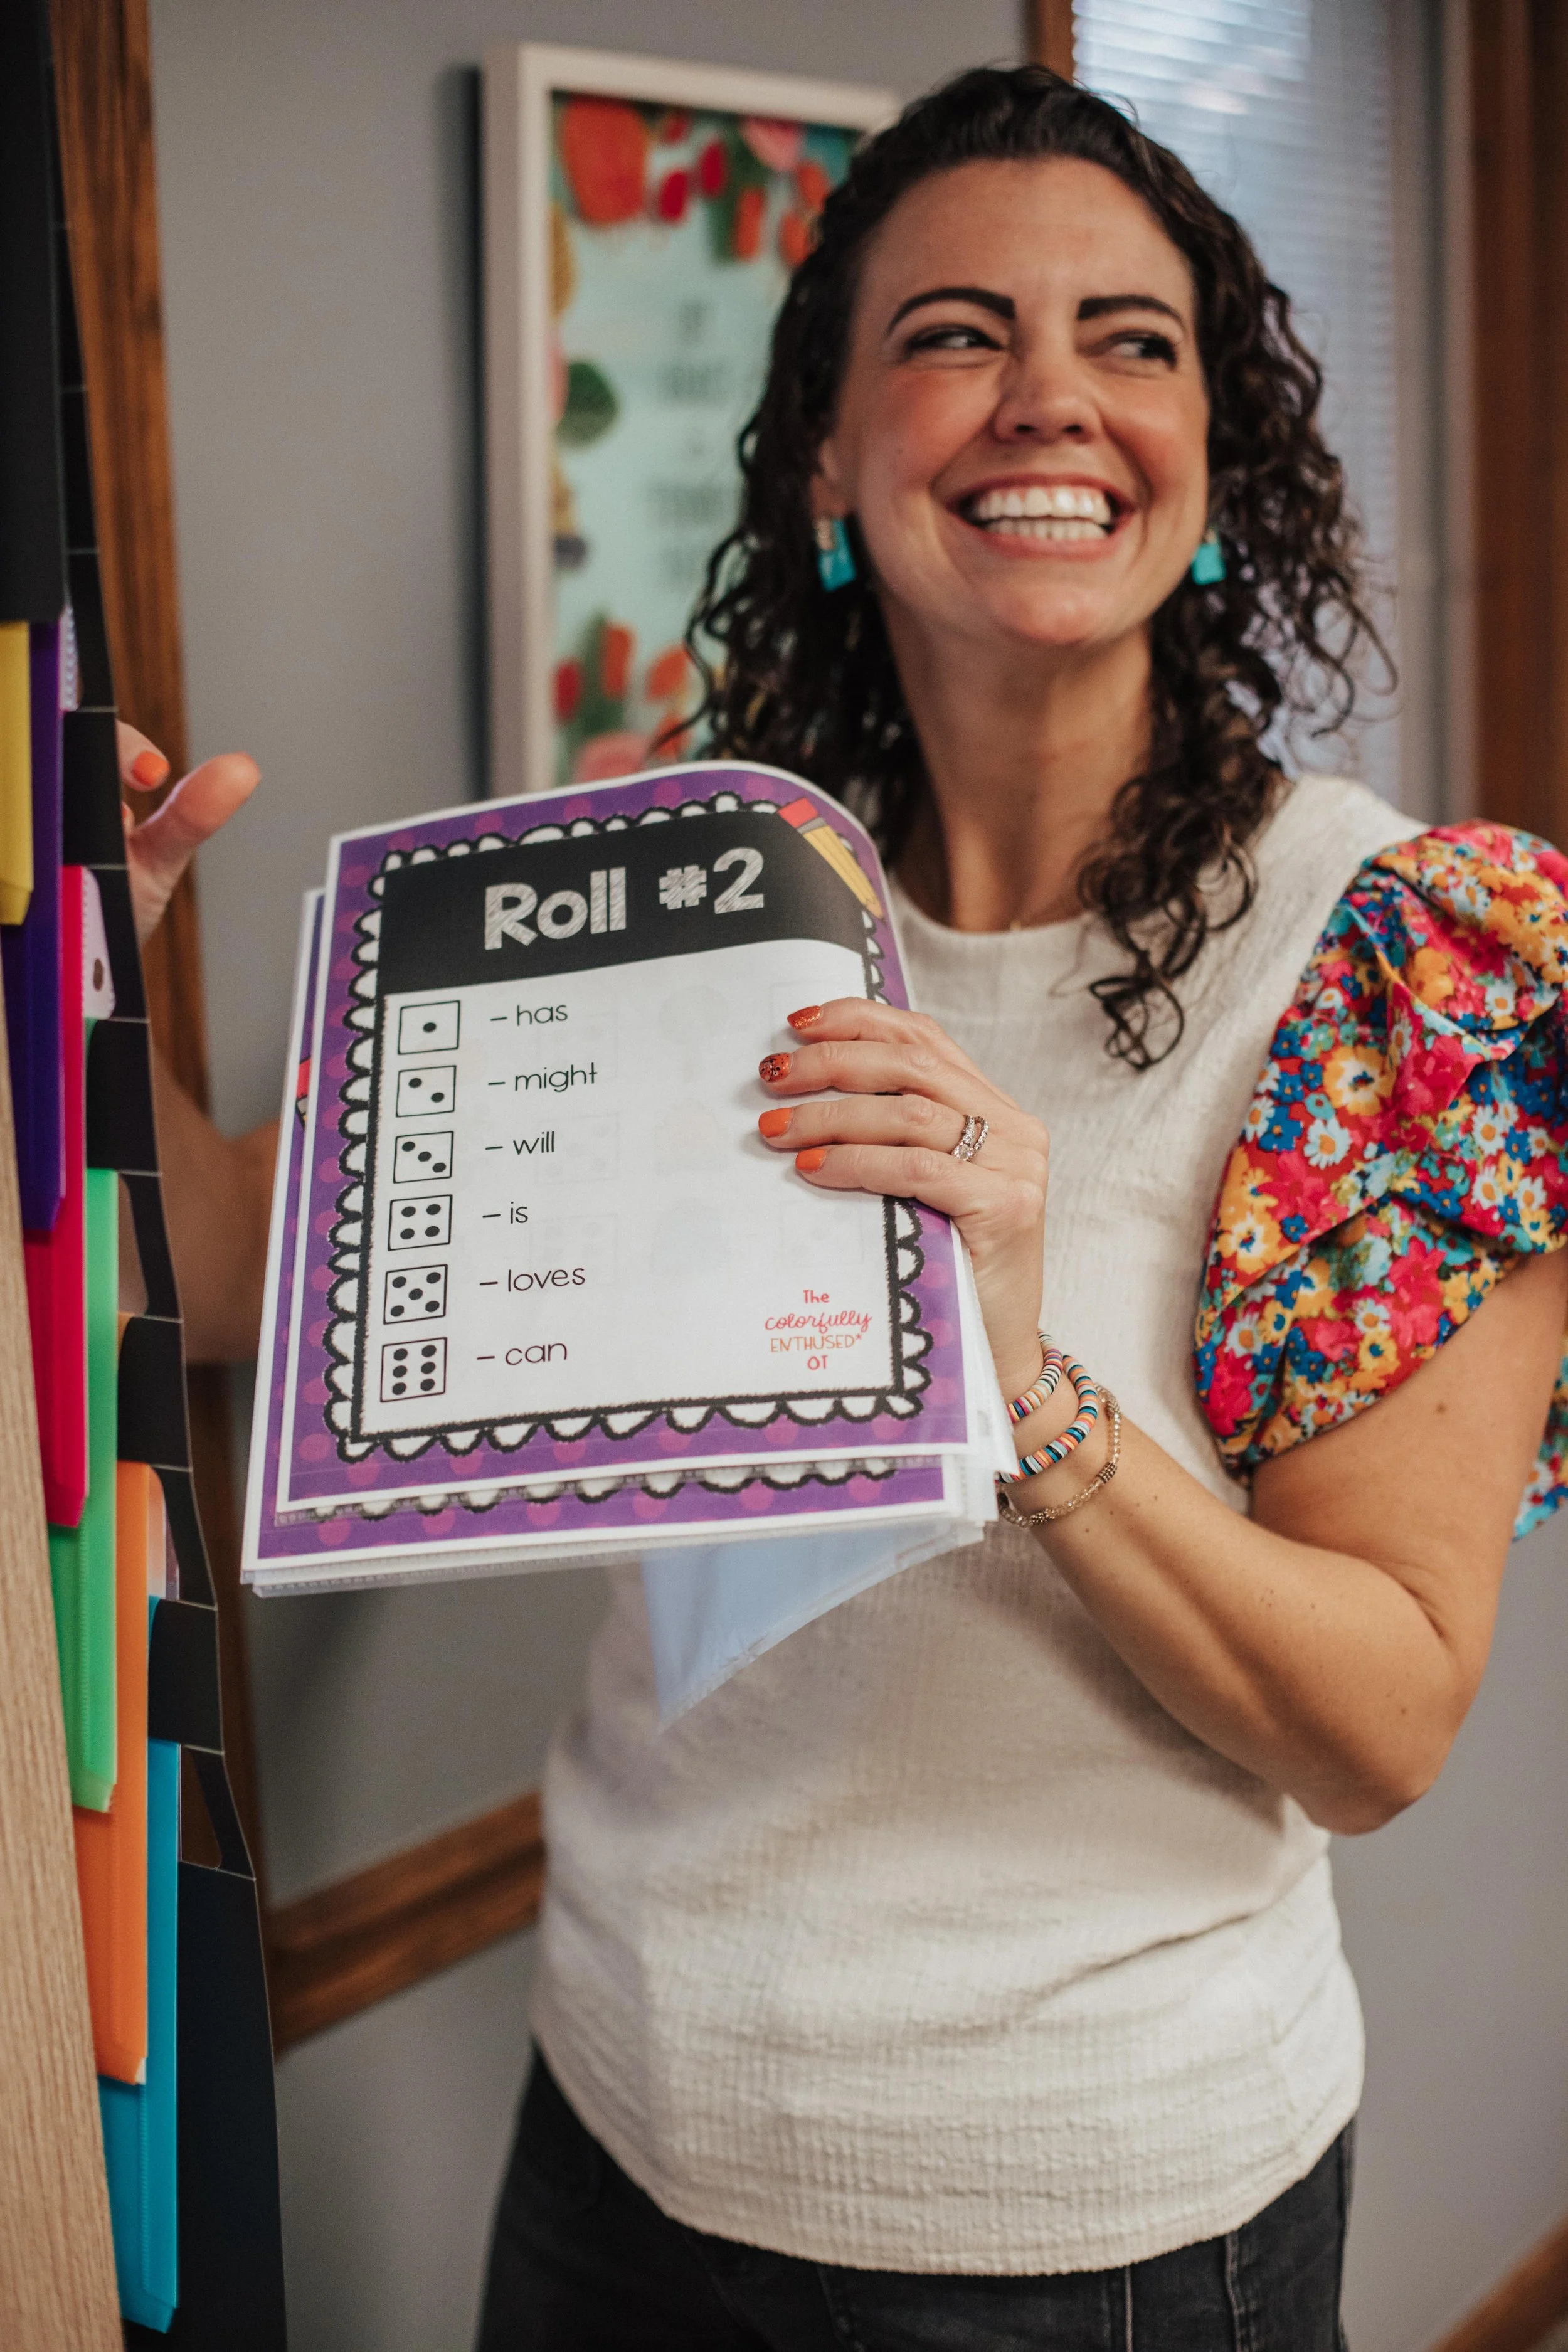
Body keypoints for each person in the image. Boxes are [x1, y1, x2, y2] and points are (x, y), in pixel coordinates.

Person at [140, 65, 1568, 2352]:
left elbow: (1379, 1722)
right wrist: (71, 989)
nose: (1047, 401)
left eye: (1131, 339)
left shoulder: (1395, 956)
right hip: (614, 2135)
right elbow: (227, 1272)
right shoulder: (675, 895)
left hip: (1091, 2233)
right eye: (950, 334)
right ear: (824, 453)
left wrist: (1016, 1370)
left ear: (1213, 457)